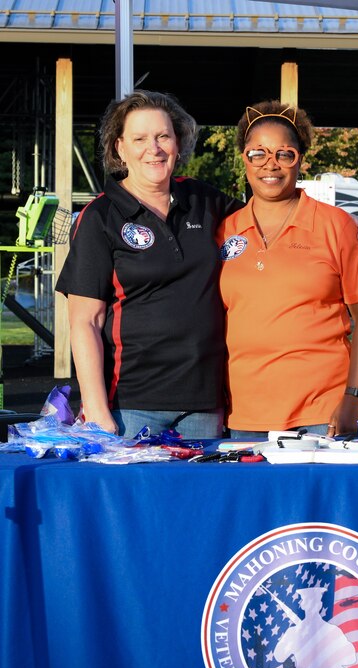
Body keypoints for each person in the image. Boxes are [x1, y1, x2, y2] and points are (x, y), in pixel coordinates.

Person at [55, 89, 242, 438]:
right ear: (119, 148)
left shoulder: (205, 201)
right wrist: (95, 406)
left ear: (178, 142)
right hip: (131, 407)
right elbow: (85, 322)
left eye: (163, 136)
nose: (153, 149)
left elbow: (270, 217)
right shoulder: (101, 217)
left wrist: (347, 223)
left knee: (200, 495)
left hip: (205, 405)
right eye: (139, 138)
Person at [217, 101, 358, 439]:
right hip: (244, 417)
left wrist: (354, 396)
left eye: (285, 154)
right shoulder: (222, 230)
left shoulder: (335, 225)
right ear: (244, 159)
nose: (271, 164)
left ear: (300, 159)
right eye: (258, 154)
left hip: (322, 412)